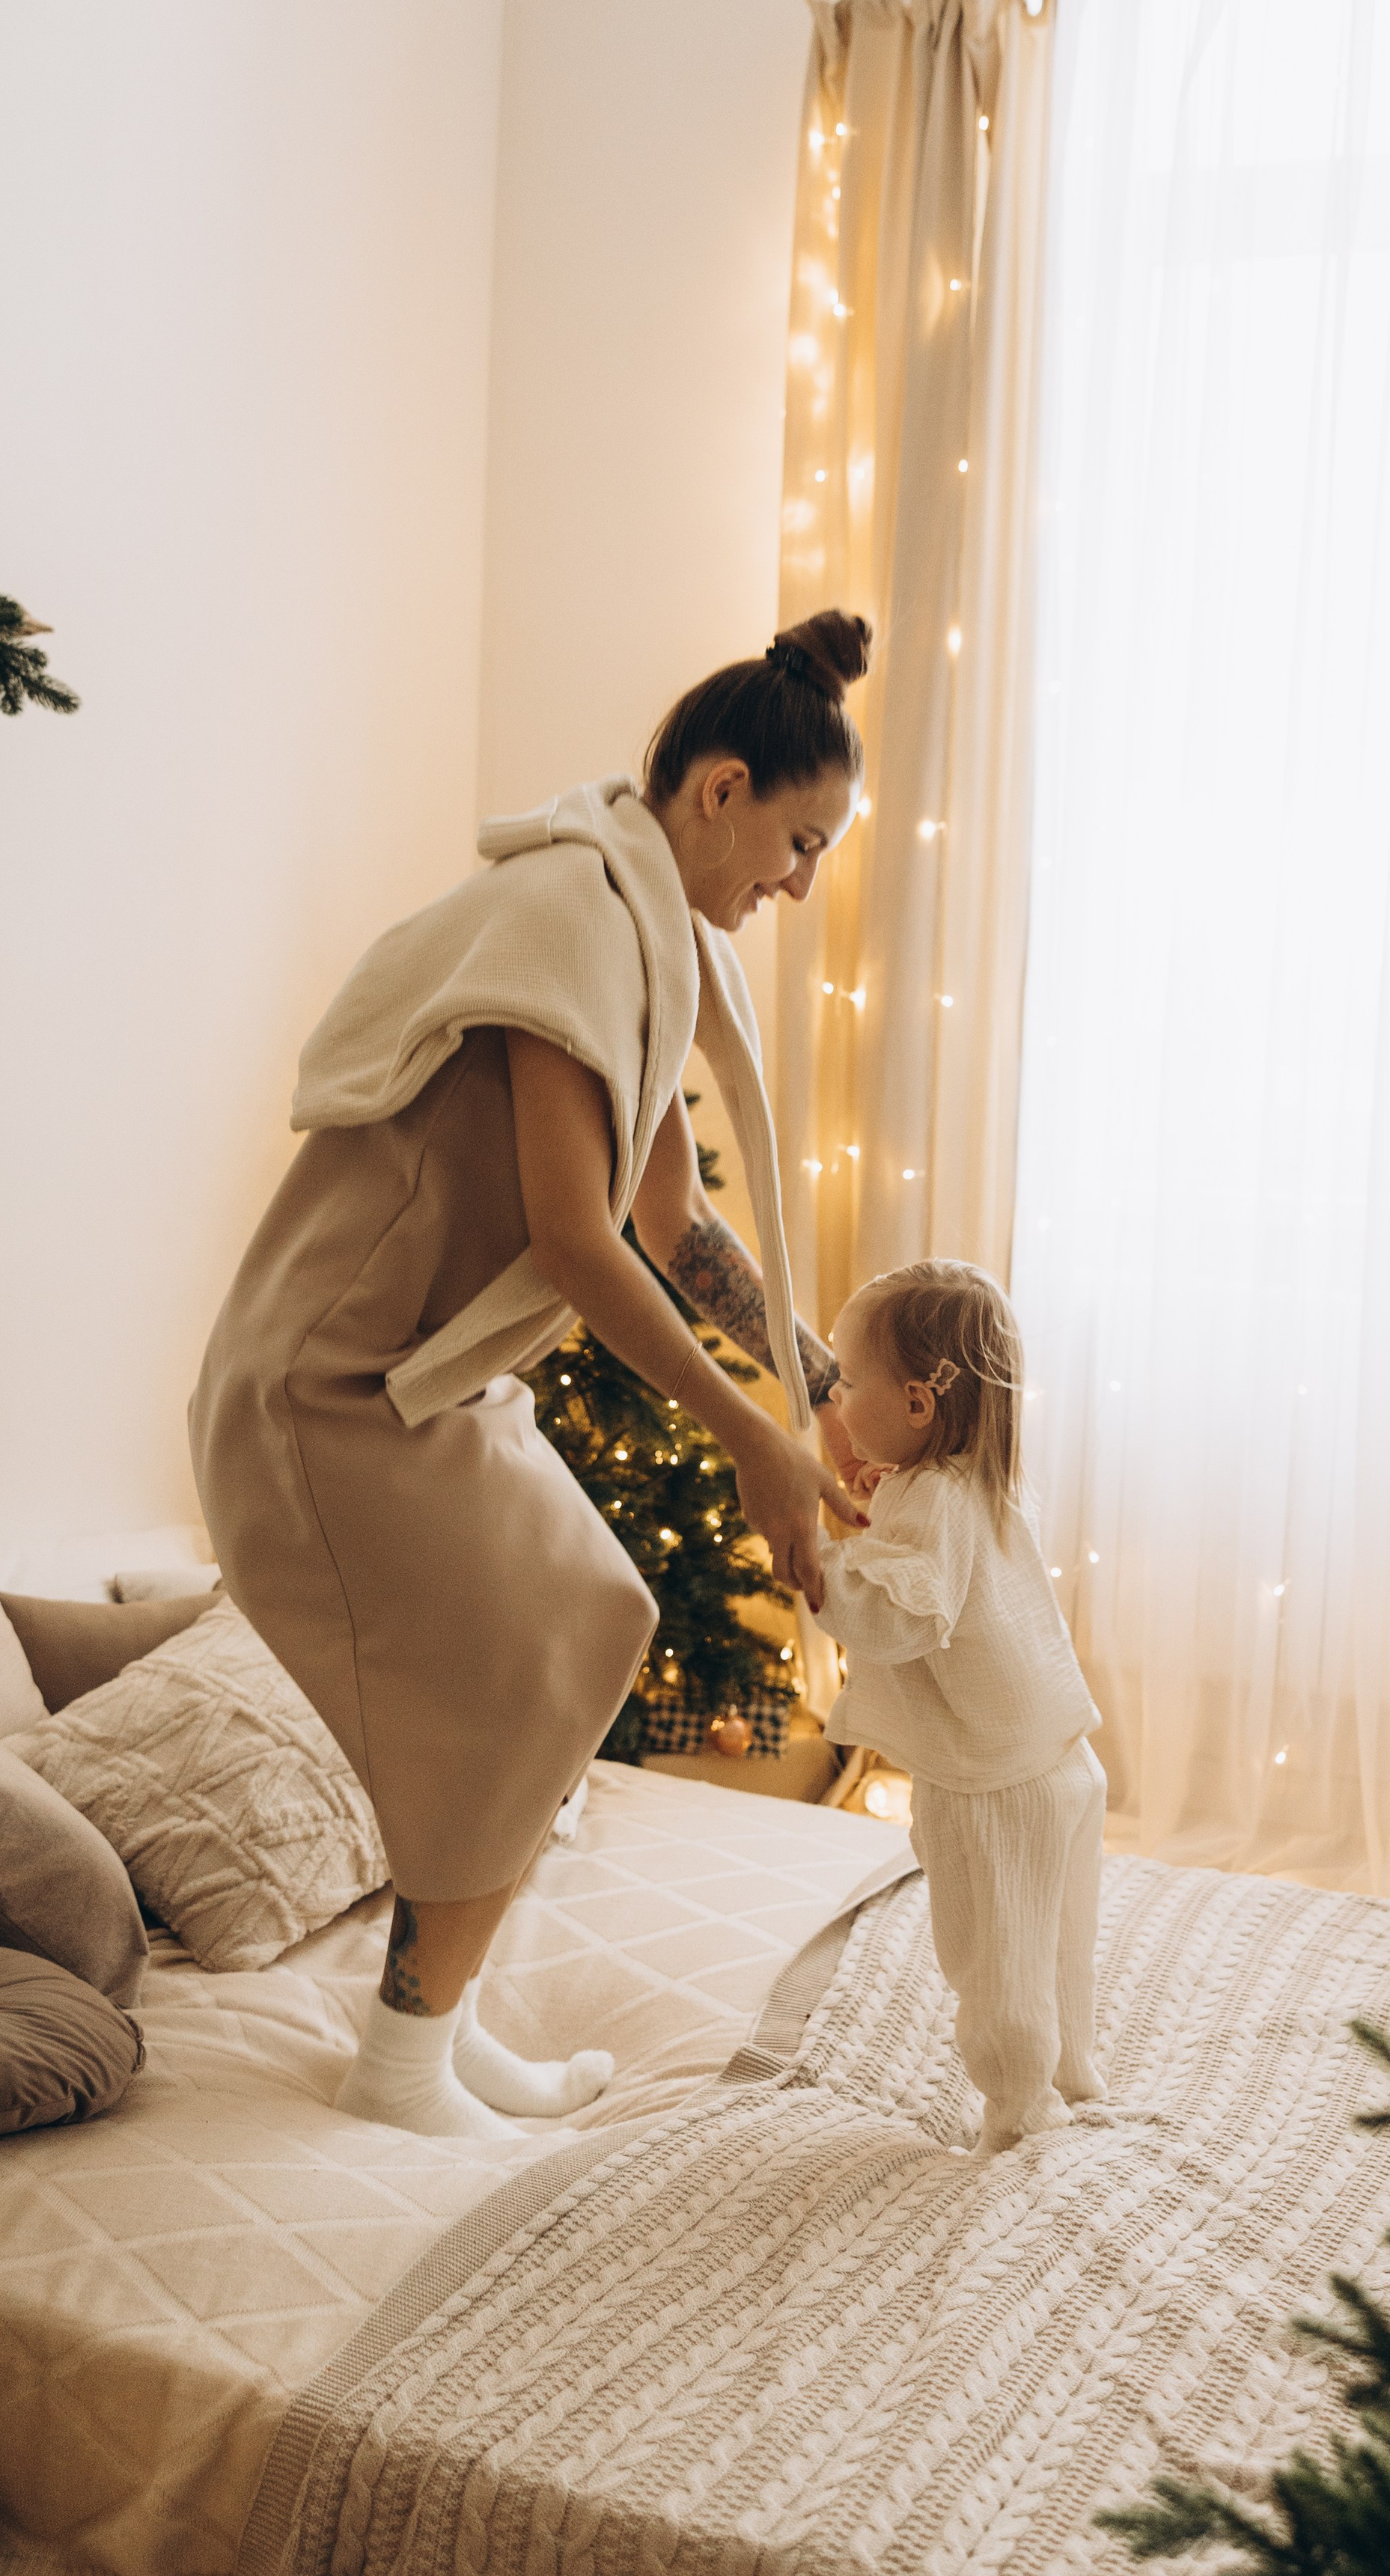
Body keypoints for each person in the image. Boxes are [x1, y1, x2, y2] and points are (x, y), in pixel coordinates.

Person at [189, 612, 874, 2137]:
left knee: (597, 1615)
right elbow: (575, 1245)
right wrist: (754, 1444)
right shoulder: (569, 913)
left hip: (430, 1378)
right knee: (518, 1663)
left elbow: (668, 1218)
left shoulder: (640, 933)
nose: (797, 883)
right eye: (796, 839)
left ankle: (436, 2019)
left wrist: (808, 1375)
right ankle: (402, 2057)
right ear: (715, 789)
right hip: (323, 1387)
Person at [814, 1259, 1108, 2151]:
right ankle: (1069, 2069)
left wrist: (813, 1561)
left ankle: (1021, 2116)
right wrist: (881, 1499)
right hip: (1057, 1760)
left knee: (991, 1955)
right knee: (1055, 1935)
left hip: (991, 1783)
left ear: (916, 1406)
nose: (833, 1395)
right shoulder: (976, 1481)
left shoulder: (931, 1500)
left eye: (846, 1379)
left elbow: (904, 1612)